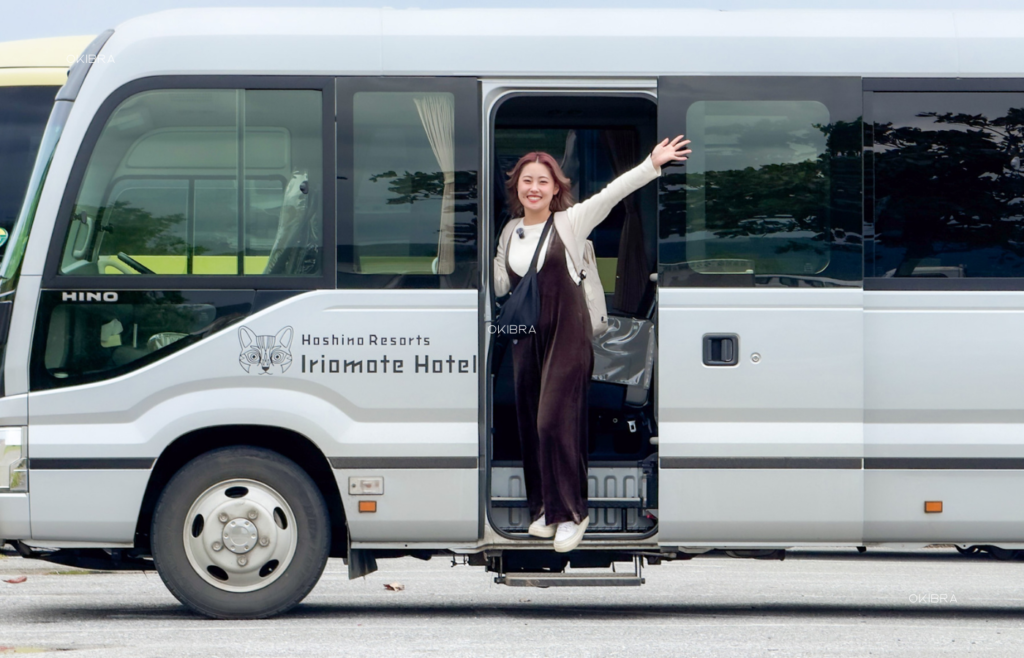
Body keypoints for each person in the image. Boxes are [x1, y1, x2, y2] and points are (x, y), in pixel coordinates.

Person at [493, 136, 691, 552]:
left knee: (553, 422)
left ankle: (573, 515)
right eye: (526, 181)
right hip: (527, 337)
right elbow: (499, 283)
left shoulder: (570, 222)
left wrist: (651, 163)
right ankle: (545, 510)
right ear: (516, 188)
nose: (534, 188)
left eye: (542, 182)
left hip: (568, 333)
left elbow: (611, 193)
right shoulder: (510, 232)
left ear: (555, 188)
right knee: (530, 426)